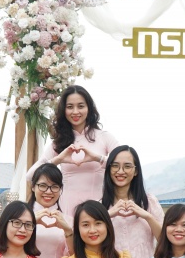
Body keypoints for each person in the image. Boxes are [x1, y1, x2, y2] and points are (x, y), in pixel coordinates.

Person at [26, 86, 118, 217]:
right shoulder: (59, 143)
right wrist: (58, 160)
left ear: (89, 108)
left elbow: (125, 166)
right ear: (64, 110)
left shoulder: (104, 137)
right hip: (66, 211)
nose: (75, 112)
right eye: (70, 107)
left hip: (98, 210)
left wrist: (97, 158)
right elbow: (30, 176)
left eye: (80, 106)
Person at [101, 145, 163, 258]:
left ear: (136, 171)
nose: (120, 171)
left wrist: (146, 215)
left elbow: (165, 239)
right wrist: (107, 215)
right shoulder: (99, 206)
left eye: (127, 166)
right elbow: (87, 239)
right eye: (115, 166)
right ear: (108, 169)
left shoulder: (149, 202)